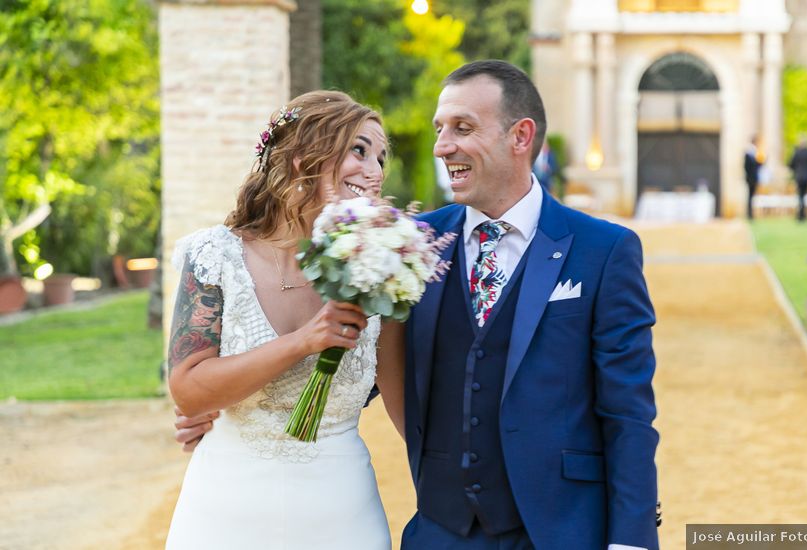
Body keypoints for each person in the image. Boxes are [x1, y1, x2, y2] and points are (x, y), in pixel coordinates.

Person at [176, 61, 659, 550]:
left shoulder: (603, 249)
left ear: (521, 136)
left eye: (462, 128)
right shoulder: (403, 244)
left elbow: (627, 412)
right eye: (439, 129)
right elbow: (375, 365)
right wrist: (229, 406)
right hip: (442, 532)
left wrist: (630, 525)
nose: (441, 146)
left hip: (558, 528)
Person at [164, 90, 398, 549]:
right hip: (223, 510)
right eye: (359, 149)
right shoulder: (216, 255)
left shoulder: (380, 267)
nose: (375, 171)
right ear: (300, 159)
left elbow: (406, 402)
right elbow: (189, 391)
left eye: (381, 158)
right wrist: (303, 342)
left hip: (342, 512)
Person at [788, 134, 807, 222]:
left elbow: (791, 164)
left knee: (800, 196)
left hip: (799, 177)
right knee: (804, 196)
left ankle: (800, 214)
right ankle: (803, 214)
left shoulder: (797, 153)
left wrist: (796, 171)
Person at [744, 135, 763, 219]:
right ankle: (749, 214)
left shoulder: (755, 153)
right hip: (751, 177)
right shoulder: (749, 153)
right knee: (750, 196)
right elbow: (747, 166)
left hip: (753, 177)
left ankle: (751, 214)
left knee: (752, 196)